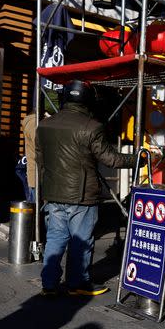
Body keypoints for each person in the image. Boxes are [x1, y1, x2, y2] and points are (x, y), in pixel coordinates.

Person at [37, 80, 136, 296]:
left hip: (54, 192)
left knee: (55, 238)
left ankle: (49, 285)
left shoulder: (44, 125)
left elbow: (40, 159)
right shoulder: (92, 126)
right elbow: (111, 159)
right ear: (88, 100)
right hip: (82, 195)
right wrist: (138, 159)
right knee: (81, 241)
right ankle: (78, 283)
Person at [21, 111, 40, 203]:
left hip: (41, 178)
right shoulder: (34, 122)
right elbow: (41, 147)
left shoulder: (36, 122)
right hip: (39, 179)